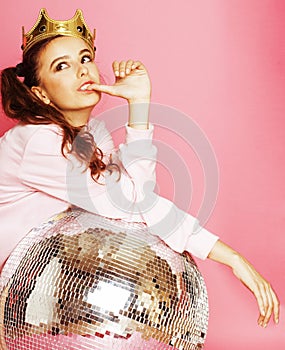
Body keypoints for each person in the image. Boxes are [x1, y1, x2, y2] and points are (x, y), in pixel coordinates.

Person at [0, 8, 279, 332]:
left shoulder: (92, 137)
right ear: (41, 94)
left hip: (27, 293)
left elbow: (140, 198)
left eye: (85, 58)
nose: (81, 70)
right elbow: (127, 206)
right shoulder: (37, 141)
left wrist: (139, 105)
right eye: (62, 66)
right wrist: (231, 257)